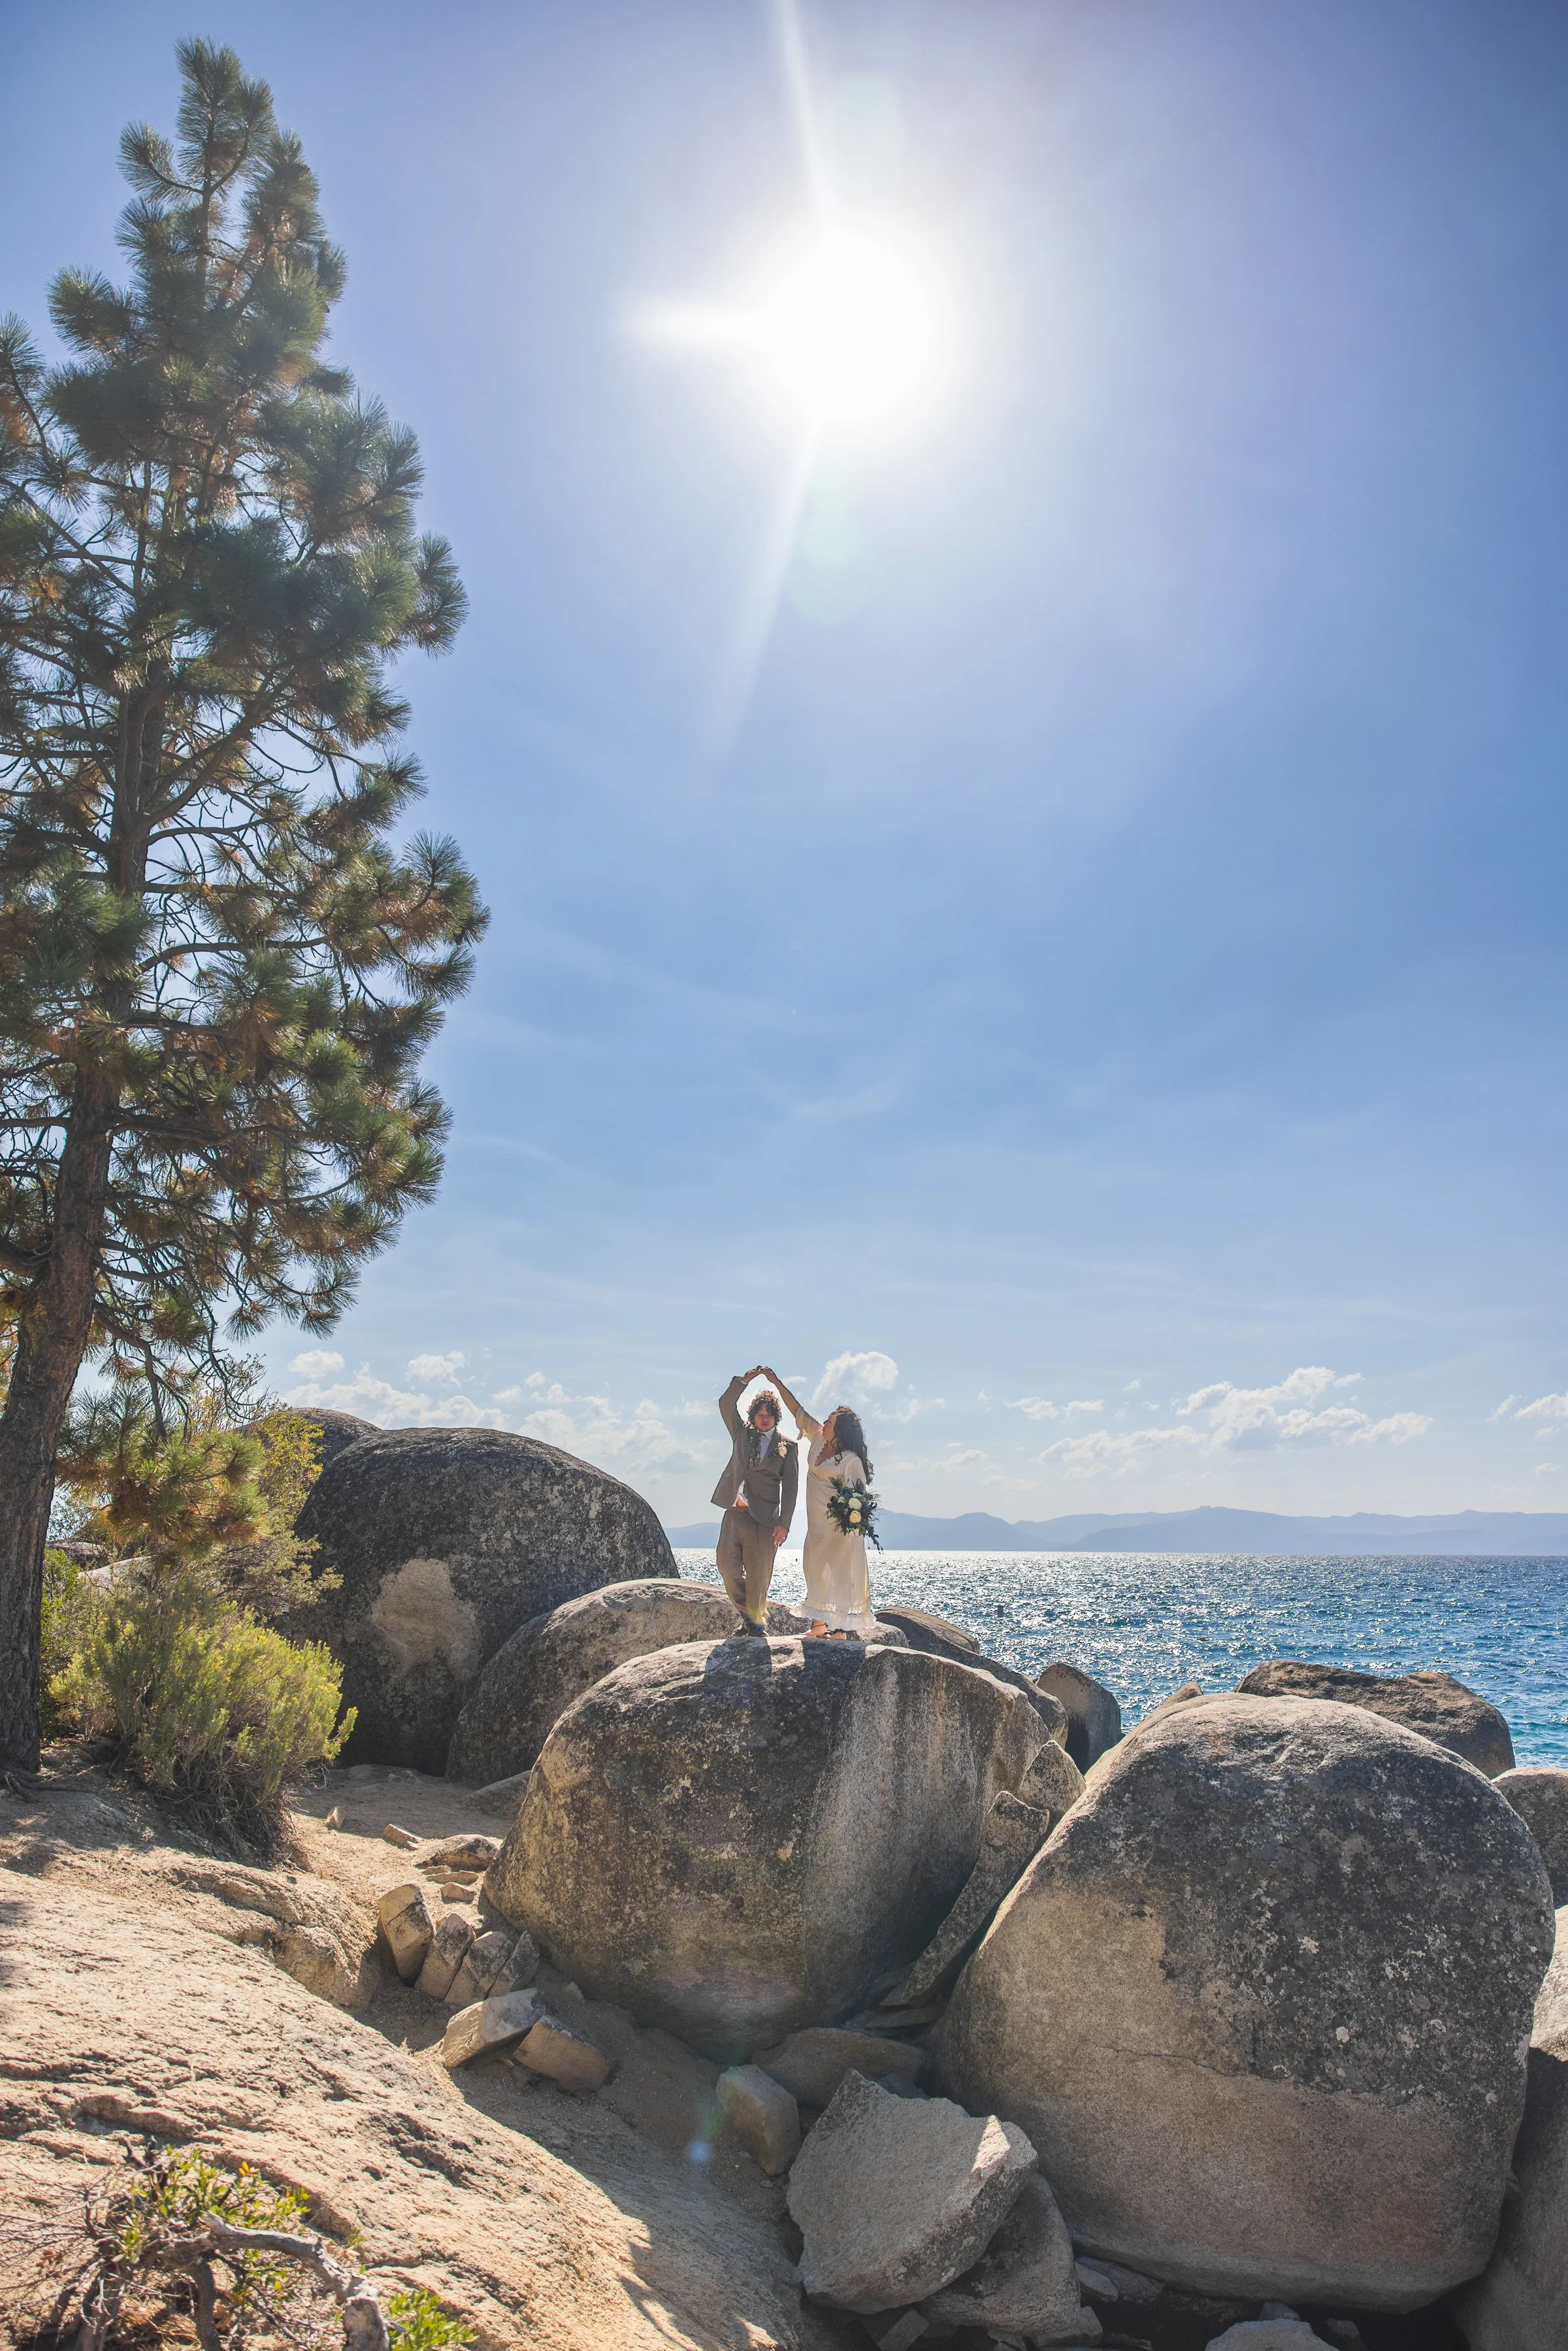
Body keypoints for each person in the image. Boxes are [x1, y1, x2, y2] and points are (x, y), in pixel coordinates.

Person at [760, 1368, 878, 1639]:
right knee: (813, 1568)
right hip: (816, 1526)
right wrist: (776, 1382)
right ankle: (818, 1626)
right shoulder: (817, 1438)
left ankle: (838, 1629)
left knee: (838, 1573)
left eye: (830, 1421)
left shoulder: (851, 1460)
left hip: (839, 1530)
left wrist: (849, 1520)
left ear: (840, 1431)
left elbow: (859, 1500)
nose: (824, 1422)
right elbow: (797, 1411)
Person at [711, 1368, 798, 1636]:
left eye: (769, 1415)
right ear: (753, 1417)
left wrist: (784, 1523)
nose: (764, 1419)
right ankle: (749, 1616)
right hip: (735, 1512)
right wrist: (744, 1380)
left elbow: (792, 1489)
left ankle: (755, 1623)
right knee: (726, 1566)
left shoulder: (788, 1447)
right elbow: (725, 1403)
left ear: (775, 1417)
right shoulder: (740, 1432)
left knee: (759, 1575)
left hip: (765, 1518)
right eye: (760, 1414)